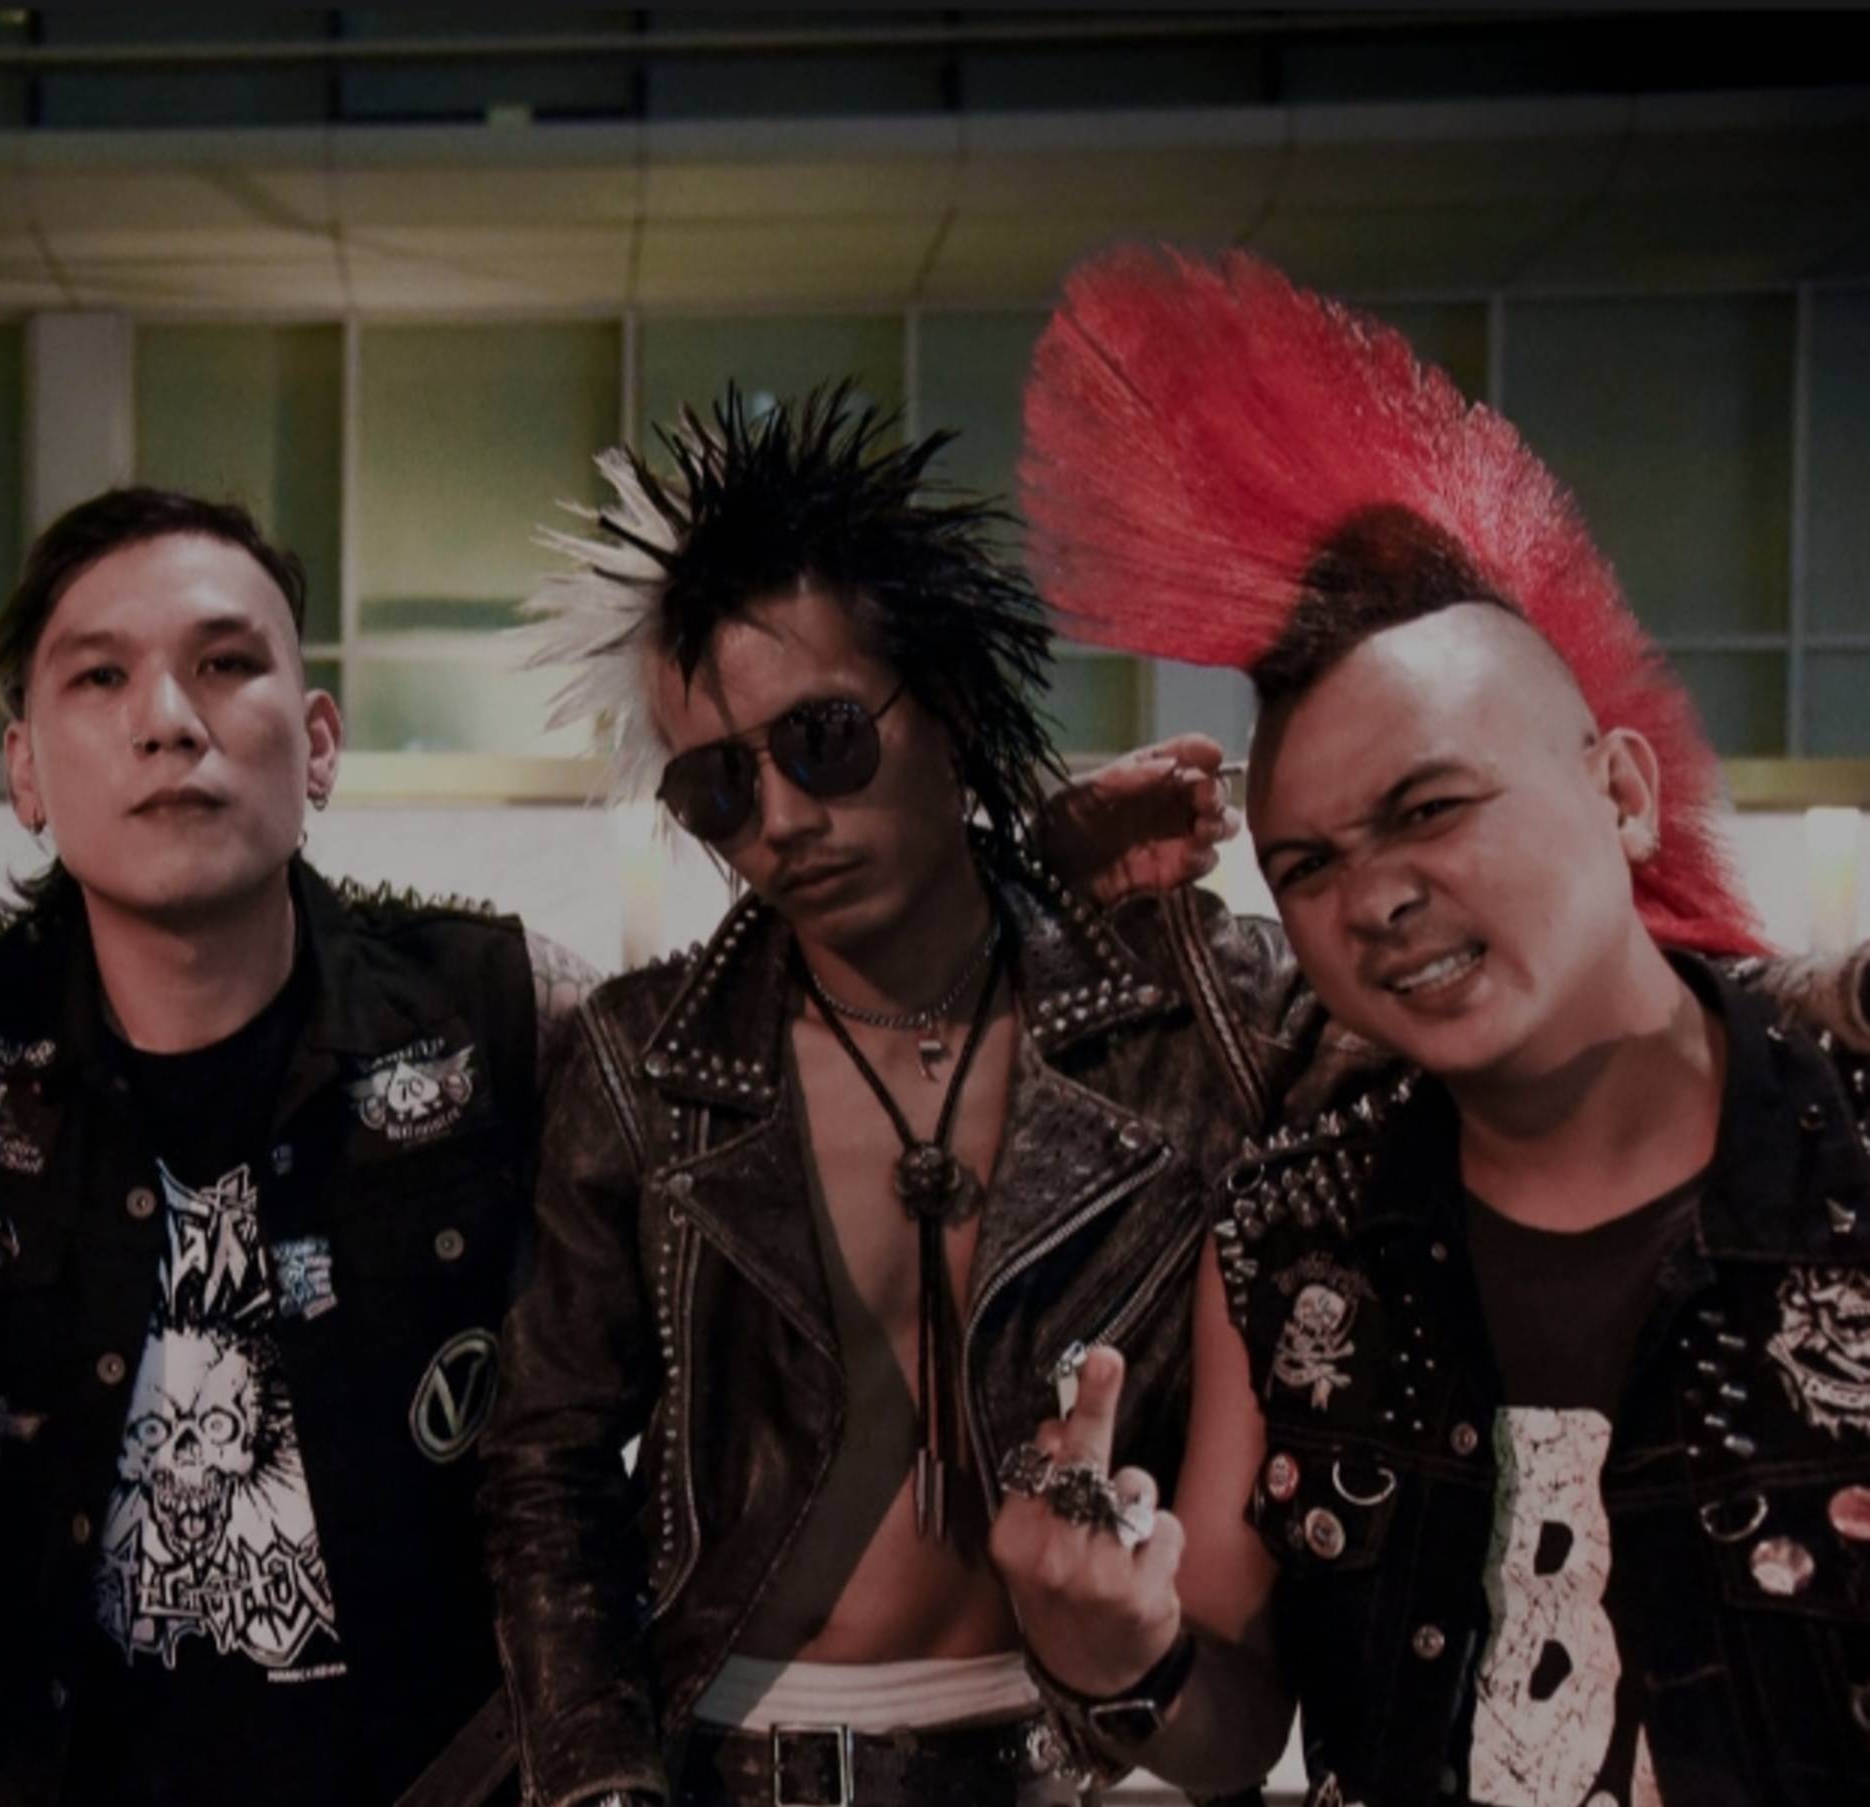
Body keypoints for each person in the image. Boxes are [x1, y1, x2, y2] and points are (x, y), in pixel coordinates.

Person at [987, 244, 1870, 1806]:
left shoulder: (1846, 1155)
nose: (1376, 898)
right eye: (1307, 865)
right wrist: (1121, 1654)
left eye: (1428, 810)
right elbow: (1229, 1718)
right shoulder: (1287, 1236)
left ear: (1620, 790)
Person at [479, 385, 1301, 1807]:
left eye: (825, 739)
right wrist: (598, 1779)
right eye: (717, 789)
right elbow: (543, 1457)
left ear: (950, 702)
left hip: (1066, 1758)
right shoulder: (648, 1059)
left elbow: (1427, 1025)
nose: (783, 819)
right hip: (728, 1759)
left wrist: (1050, 873)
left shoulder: (1179, 1022)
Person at [0, 486, 611, 1807]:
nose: (169, 719)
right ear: (25, 771)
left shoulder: (498, 1016)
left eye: (225, 663)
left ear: (319, 742)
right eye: (100, 676)